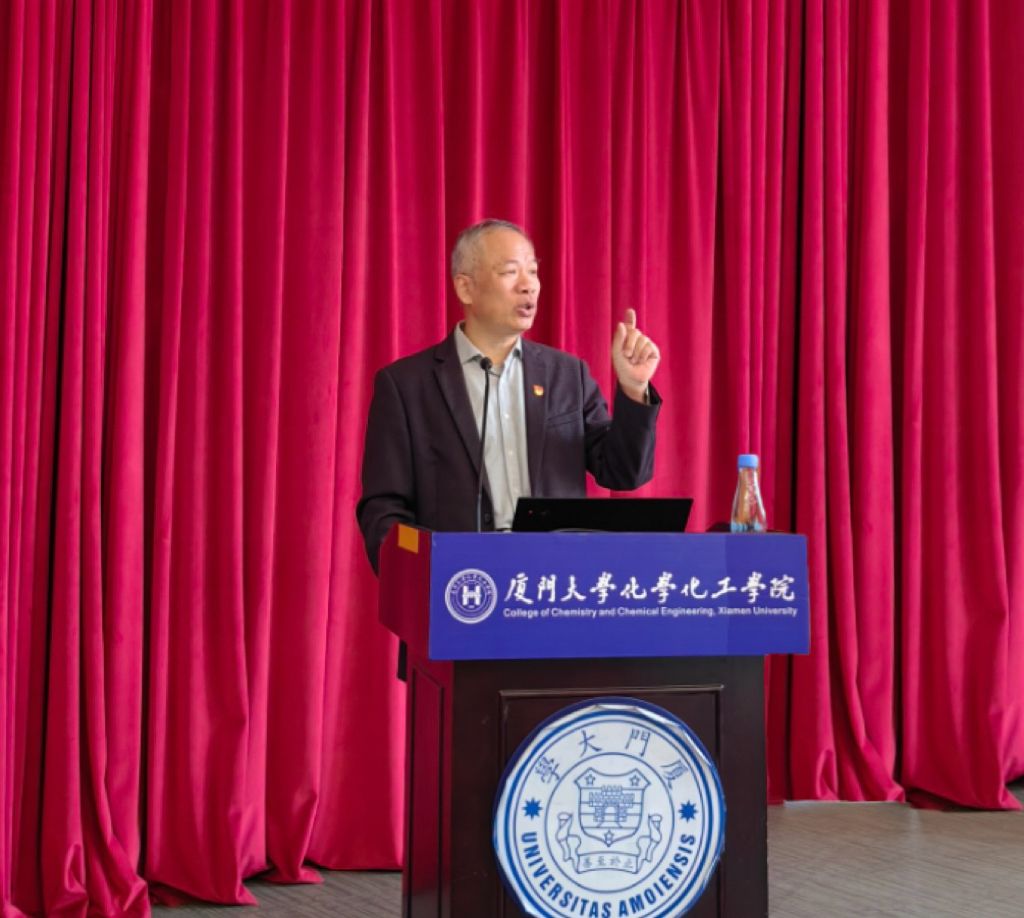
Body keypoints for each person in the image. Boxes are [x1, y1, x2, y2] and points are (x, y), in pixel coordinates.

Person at [356, 218, 662, 572]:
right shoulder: (407, 385)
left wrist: (634, 388)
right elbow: (383, 511)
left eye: (532, 272)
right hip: (461, 586)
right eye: (510, 272)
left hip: (550, 583)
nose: (528, 285)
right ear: (465, 288)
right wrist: (427, 570)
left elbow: (623, 473)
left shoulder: (567, 375)